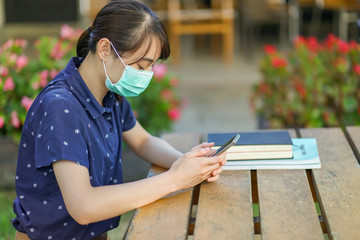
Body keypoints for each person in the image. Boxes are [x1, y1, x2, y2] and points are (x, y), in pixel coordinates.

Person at [12, 1, 226, 239]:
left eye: (151, 67)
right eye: (140, 65)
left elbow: (143, 141)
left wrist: (188, 164)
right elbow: (83, 207)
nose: (145, 76)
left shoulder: (108, 94)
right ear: (105, 48)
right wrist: (175, 179)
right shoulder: (61, 106)